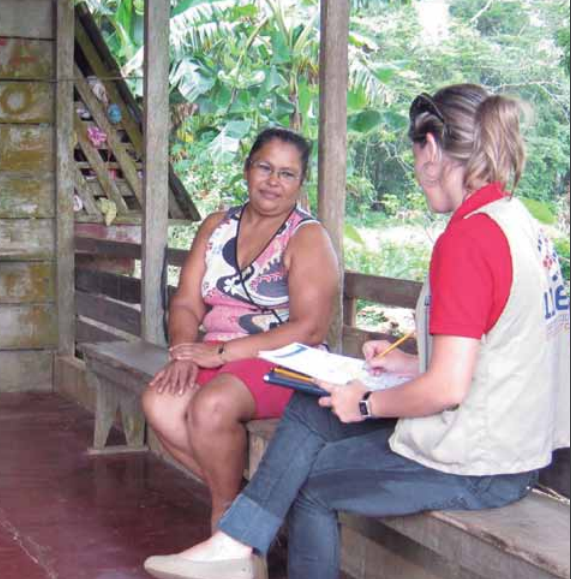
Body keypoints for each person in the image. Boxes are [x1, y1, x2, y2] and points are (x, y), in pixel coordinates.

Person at [143, 83, 571, 579]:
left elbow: (448, 388)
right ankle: (235, 546)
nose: (416, 172)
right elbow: (499, 347)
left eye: (414, 155)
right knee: (313, 404)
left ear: (431, 149)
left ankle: (237, 543)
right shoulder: (517, 222)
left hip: (481, 461)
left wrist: (366, 403)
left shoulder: (467, 240)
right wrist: (408, 364)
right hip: (510, 441)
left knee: (310, 484)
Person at [142, 128, 340, 532]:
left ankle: (224, 525)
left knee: (210, 407)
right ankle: (243, 515)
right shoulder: (218, 226)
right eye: (265, 167)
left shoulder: (307, 236)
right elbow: (185, 303)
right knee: (159, 401)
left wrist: (221, 354)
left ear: (300, 183)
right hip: (214, 350)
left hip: (284, 358)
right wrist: (182, 351)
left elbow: (312, 327)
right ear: (247, 169)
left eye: (287, 174)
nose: (273, 181)